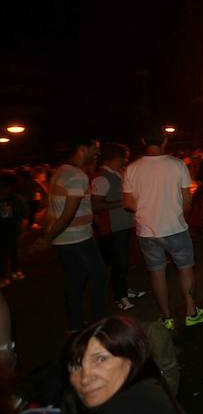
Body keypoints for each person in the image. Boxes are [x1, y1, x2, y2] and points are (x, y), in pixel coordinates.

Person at [122, 130, 203, 330]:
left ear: (144, 141)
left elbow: (128, 203)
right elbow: (187, 200)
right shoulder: (177, 164)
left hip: (147, 231)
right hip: (174, 228)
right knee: (185, 269)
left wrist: (148, 209)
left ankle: (167, 318)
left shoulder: (132, 168)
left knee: (157, 274)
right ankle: (191, 312)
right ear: (164, 140)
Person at [61, 315, 198, 414]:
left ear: (131, 361)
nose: (85, 378)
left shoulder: (132, 410)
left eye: (101, 359)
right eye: (76, 366)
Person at [35, 137, 108, 333]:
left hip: (65, 239)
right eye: (95, 149)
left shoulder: (61, 171)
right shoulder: (77, 176)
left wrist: (48, 234)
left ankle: (75, 325)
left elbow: (53, 209)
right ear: (82, 149)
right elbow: (67, 214)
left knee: (74, 279)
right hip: (78, 238)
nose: (98, 153)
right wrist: (46, 239)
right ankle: (99, 324)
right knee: (98, 276)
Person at [91, 143, 142, 311]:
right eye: (125, 157)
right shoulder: (102, 178)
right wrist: (122, 202)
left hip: (124, 225)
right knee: (118, 263)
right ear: (116, 158)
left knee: (124, 262)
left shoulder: (118, 174)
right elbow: (96, 205)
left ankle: (124, 290)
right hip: (114, 227)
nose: (126, 160)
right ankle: (119, 297)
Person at [0, 172, 28, 287]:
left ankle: (15, 270)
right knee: (2, 253)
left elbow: (23, 214)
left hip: (13, 229)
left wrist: (21, 228)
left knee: (14, 251)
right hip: (2, 229)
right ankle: (3, 276)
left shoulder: (17, 199)